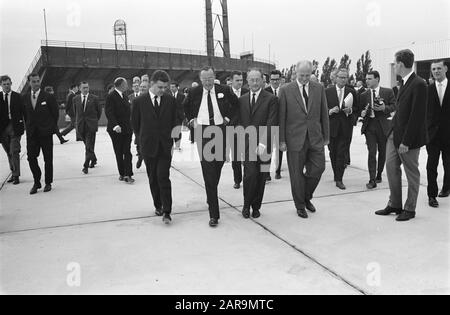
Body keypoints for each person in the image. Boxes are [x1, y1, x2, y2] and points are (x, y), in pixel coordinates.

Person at [375, 49, 428, 222]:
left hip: (408, 140)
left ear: (400, 64)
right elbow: (401, 111)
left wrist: (406, 141)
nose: (394, 66)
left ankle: (409, 209)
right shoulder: (403, 83)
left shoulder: (419, 84)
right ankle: (395, 204)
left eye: (395, 63)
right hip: (394, 135)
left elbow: (417, 116)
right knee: (391, 168)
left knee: (411, 173)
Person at [184, 66, 238, 227]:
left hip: (220, 130)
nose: (207, 82)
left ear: (214, 77)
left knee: (218, 165)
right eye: (204, 79)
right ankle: (214, 214)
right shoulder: (194, 93)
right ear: (200, 80)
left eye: (210, 78)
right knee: (208, 171)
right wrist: (191, 120)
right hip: (203, 132)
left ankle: (210, 192)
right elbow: (185, 106)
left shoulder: (225, 90)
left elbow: (236, 106)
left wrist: (228, 119)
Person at [279, 61, 330, 219]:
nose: (305, 78)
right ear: (295, 72)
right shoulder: (286, 90)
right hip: (294, 138)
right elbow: (282, 117)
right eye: (302, 75)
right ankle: (300, 205)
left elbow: (324, 113)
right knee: (296, 174)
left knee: (318, 168)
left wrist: (326, 136)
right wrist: (281, 140)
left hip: (315, 137)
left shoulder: (319, 88)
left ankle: (306, 196)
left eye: (308, 75)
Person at [132, 70, 178, 224]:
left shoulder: (170, 100)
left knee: (163, 177)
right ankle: (157, 205)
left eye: (165, 87)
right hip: (148, 147)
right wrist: (142, 141)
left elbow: (175, 120)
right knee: (153, 178)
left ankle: (167, 211)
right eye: (160, 87)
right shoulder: (139, 101)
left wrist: (175, 138)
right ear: (152, 84)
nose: (163, 90)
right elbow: (135, 124)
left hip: (165, 146)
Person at [239, 68, 278, 219]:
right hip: (247, 145)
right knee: (249, 175)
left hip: (265, 146)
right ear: (247, 81)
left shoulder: (271, 99)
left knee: (261, 176)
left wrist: (263, 143)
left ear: (262, 80)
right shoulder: (242, 100)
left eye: (257, 80)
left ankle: (256, 207)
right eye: (251, 80)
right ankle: (246, 204)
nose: (254, 83)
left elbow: (272, 122)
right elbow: (240, 123)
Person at [359, 71, 396, 189]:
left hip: (383, 126)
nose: (367, 81)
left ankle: (379, 174)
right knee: (371, 152)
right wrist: (362, 113)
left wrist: (385, 108)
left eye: (369, 78)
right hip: (369, 126)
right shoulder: (363, 95)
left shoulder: (388, 91)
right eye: (366, 79)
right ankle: (372, 179)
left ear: (377, 79)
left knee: (382, 152)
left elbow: (394, 105)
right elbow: (360, 110)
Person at [23, 73, 59, 194]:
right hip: (32, 134)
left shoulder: (48, 97)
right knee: (31, 158)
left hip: (46, 133)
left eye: (38, 81)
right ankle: (37, 181)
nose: (37, 83)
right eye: (34, 81)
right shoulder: (25, 97)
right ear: (29, 83)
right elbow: (25, 115)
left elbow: (55, 114)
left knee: (48, 159)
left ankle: (48, 182)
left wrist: (50, 127)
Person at [326, 68, 357, 190]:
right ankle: (336, 174)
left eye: (345, 77)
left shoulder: (351, 91)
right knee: (332, 152)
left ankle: (339, 179)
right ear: (335, 77)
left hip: (345, 127)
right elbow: (322, 109)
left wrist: (350, 110)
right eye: (341, 77)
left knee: (341, 154)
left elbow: (356, 107)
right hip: (332, 127)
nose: (343, 79)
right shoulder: (327, 91)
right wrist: (330, 111)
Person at [426, 60, 450, 208]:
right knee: (431, 165)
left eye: (439, 68)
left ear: (446, 69)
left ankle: (446, 187)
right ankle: (432, 195)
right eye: (433, 69)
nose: (436, 71)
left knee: (448, 164)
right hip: (432, 135)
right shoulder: (427, 89)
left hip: (449, 134)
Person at [105, 77, 135, 184]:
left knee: (127, 151)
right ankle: (122, 173)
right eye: (126, 84)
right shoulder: (111, 96)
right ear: (121, 85)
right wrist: (115, 125)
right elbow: (109, 112)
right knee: (119, 152)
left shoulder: (125, 96)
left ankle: (128, 174)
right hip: (116, 130)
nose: (127, 86)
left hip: (127, 129)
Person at [0, 75, 25, 185]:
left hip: (14, 127)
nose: (6, 86)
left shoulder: (18, 96)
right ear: (1, 85)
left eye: (8, 84)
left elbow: (24, 112)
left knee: (14, 151)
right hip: (2, 129)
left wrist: (25, 125)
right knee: (8, 152)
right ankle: (13, 171)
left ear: (11, 83)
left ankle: (16, 175)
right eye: (4, 84)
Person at [73, 82, 102, 174]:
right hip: (81, 126)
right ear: (80, 88)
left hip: (91, 126)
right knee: (87, 145)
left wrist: (93, 121)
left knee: (88, 146)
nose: (86, 89)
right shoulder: (75, 99)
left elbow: (99, 112)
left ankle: (85, 165)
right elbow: (75, 112)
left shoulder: (95, 98)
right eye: (84, 87)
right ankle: (93, 159)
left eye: (87, 87)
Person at [229, 71, 249, 189]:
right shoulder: (227, 93)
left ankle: (248, 178)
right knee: (235, 157)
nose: (240, 83)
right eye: (237, 80)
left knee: (247, 156)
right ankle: (237, 179)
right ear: (231, 80)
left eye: (241, 80)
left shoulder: (247, 92)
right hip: (232, 129)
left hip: (247, 129)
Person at [265, 70, 283, 180]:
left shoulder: (285, 91)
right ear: (269, 80)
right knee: (268, 150)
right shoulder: (265, 91)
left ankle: (278, 171)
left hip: (281, 125)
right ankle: (266, 173)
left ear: (280, 80)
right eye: (273, 79)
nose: (275, 81)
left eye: (277, 79)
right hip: (268, 125)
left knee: (279, 150)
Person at [170, 81, 185, 151]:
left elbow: (184, 106)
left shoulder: (182, 96)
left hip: (178, 117)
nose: (171, 88)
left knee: (177, 131)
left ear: (177, 88)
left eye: (173, 87)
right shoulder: (168, 96)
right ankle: (171, 145)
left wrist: (183, 115)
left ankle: (178, 145)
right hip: (169, 117)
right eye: (171, 87)